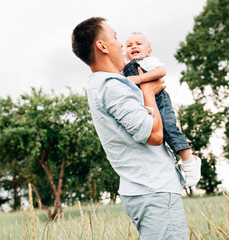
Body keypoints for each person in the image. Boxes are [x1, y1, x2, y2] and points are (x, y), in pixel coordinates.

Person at [72, 17, 189, 239]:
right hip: (153, 190)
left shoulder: (106, 83)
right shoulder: (111, 86)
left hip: (148, 189)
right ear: (102, 46)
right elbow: (154, 135)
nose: (120, 43)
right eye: (115, 37)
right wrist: (148, 91)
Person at [123, 32, 201, 187]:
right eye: (129, 45)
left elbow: (160, 71)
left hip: (159, 101)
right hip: (143, 104)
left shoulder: (148, 61)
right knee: (153, 136)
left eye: (138, 44)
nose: (134, 47)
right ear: (125, 53)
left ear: (148, 51)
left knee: (168, 127)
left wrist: (139, 79)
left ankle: (189, 159)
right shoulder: (124, 69)